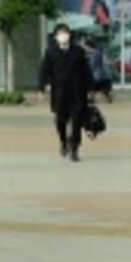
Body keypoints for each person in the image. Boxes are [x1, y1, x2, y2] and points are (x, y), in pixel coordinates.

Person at [39, 23, 94, 161]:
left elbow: (86, 71)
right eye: (60, 33)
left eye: (65, 32)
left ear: (69, 35)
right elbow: (44, 70)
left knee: (76, 121)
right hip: (59, 93)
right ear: (56, 36)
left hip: (77, 91)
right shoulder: (50, 52)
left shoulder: (78, 51)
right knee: (60, 120)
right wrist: (41, 88)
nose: (63, 35)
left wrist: (90, 89)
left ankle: (74, 148)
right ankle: (63, 141)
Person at [85, 37, 114, 103]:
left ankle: (91, 99)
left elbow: (93, 65)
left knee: (93, 87)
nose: (84, 48)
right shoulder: (97, 52)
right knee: (99, 88)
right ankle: (93, 98)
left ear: (88, 46)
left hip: (99, 75)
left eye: (85, 46)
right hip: (103, 75)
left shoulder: (95, 54)